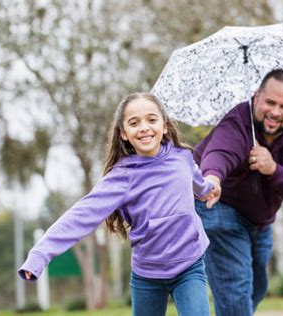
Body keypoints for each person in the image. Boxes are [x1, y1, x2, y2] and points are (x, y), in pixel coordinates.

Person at [18, 92, 221, 316]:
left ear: (164, 126)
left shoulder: (182, 157)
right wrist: (40, 254)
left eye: (151, 120)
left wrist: (210, 188)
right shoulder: (122, 177)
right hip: (148, 274)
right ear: (124, 133)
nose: (144, 127)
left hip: (189, 264)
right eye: (134, 123)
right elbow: (82, 215)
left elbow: (199, 185)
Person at [193, 69, 283, 316]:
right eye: (269, 102)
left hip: (260, 221)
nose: (275, 112)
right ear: (256, 98)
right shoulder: (238, 121)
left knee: (257, 287)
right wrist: (212, 178)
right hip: (218, 207)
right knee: (236, 288)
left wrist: (273, 169)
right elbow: (220, 153)